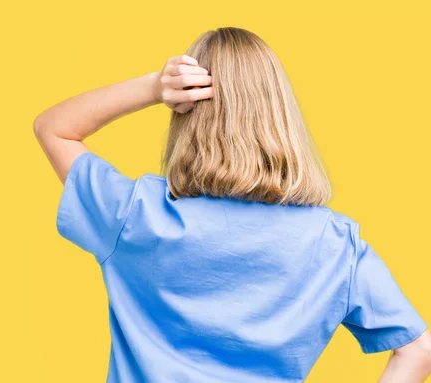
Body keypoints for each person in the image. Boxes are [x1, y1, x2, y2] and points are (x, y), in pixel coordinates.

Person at [34, 27, 431, 383]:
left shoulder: (134, 216)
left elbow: (54, 129)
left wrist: (155, 87)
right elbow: (419, 350)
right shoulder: (333, 243)